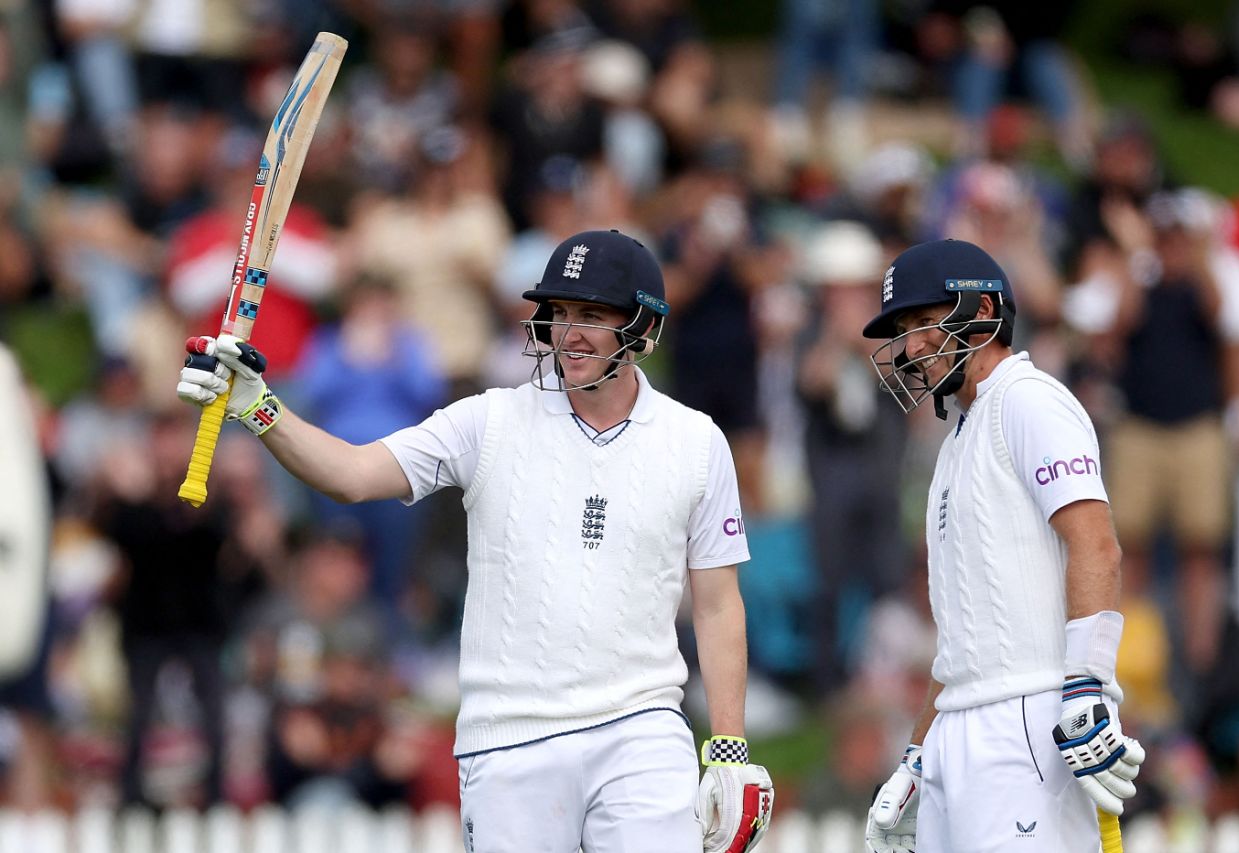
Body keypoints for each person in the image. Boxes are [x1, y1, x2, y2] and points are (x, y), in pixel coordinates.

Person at [177, 229, 773, 853]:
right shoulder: (486, 421)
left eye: (592, 315)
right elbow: (352, 476)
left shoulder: (696, 442)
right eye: (559, 314)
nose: (569, 333)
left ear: (644, 329)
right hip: (510, 734)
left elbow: (717, 602)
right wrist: (258, 406)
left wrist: (728, 750)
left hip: (642, 729)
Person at [858, 239, 1146, 852]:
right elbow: (963, 638)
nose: (912, 348)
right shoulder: (958, 439)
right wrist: (917, 753)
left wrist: (1088, 685)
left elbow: (1097, 544)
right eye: (904, 331)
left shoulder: (1030, 400)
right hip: (960, 728)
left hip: (1032, 721)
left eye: (925, 323)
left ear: (984, 311)